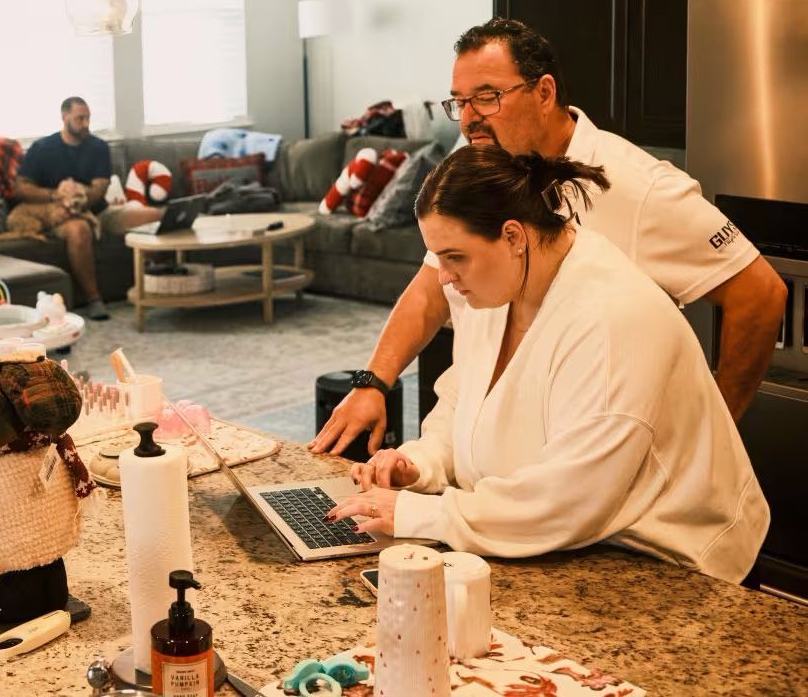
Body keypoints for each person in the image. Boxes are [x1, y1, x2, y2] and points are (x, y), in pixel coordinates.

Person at [311, 18, 785, 456]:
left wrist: (713, 436)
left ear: (543, 92)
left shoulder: (637, 186)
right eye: (460, 101)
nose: (470, 117)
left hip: (590, 464)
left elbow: (760, 293)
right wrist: (373, 381)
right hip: (492, 460)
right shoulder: (481, 165)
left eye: (488, 96)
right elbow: (431, 287)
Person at [327, 145, 769, 584]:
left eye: (454, 256)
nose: (442, 276)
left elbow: (569, 499)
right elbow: (463, 405)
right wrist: (418, 465)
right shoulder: (498, 289)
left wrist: (419, 513)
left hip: (672, 567)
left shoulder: (613, 319)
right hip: (569, 547)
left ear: (514, 237)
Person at [12, 97, 162, 320]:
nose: (85, 124)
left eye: (88, 118)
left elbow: (100, 187)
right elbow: (21, 188)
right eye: (79, 118)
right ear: (64, 117)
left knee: (155, 215)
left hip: (99, 211)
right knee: (79, 230)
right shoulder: (42, 149)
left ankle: (164, 282)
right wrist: (56, 196)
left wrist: (80, 198)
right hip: (61, 214)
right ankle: (94, 299)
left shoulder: (98, 147)